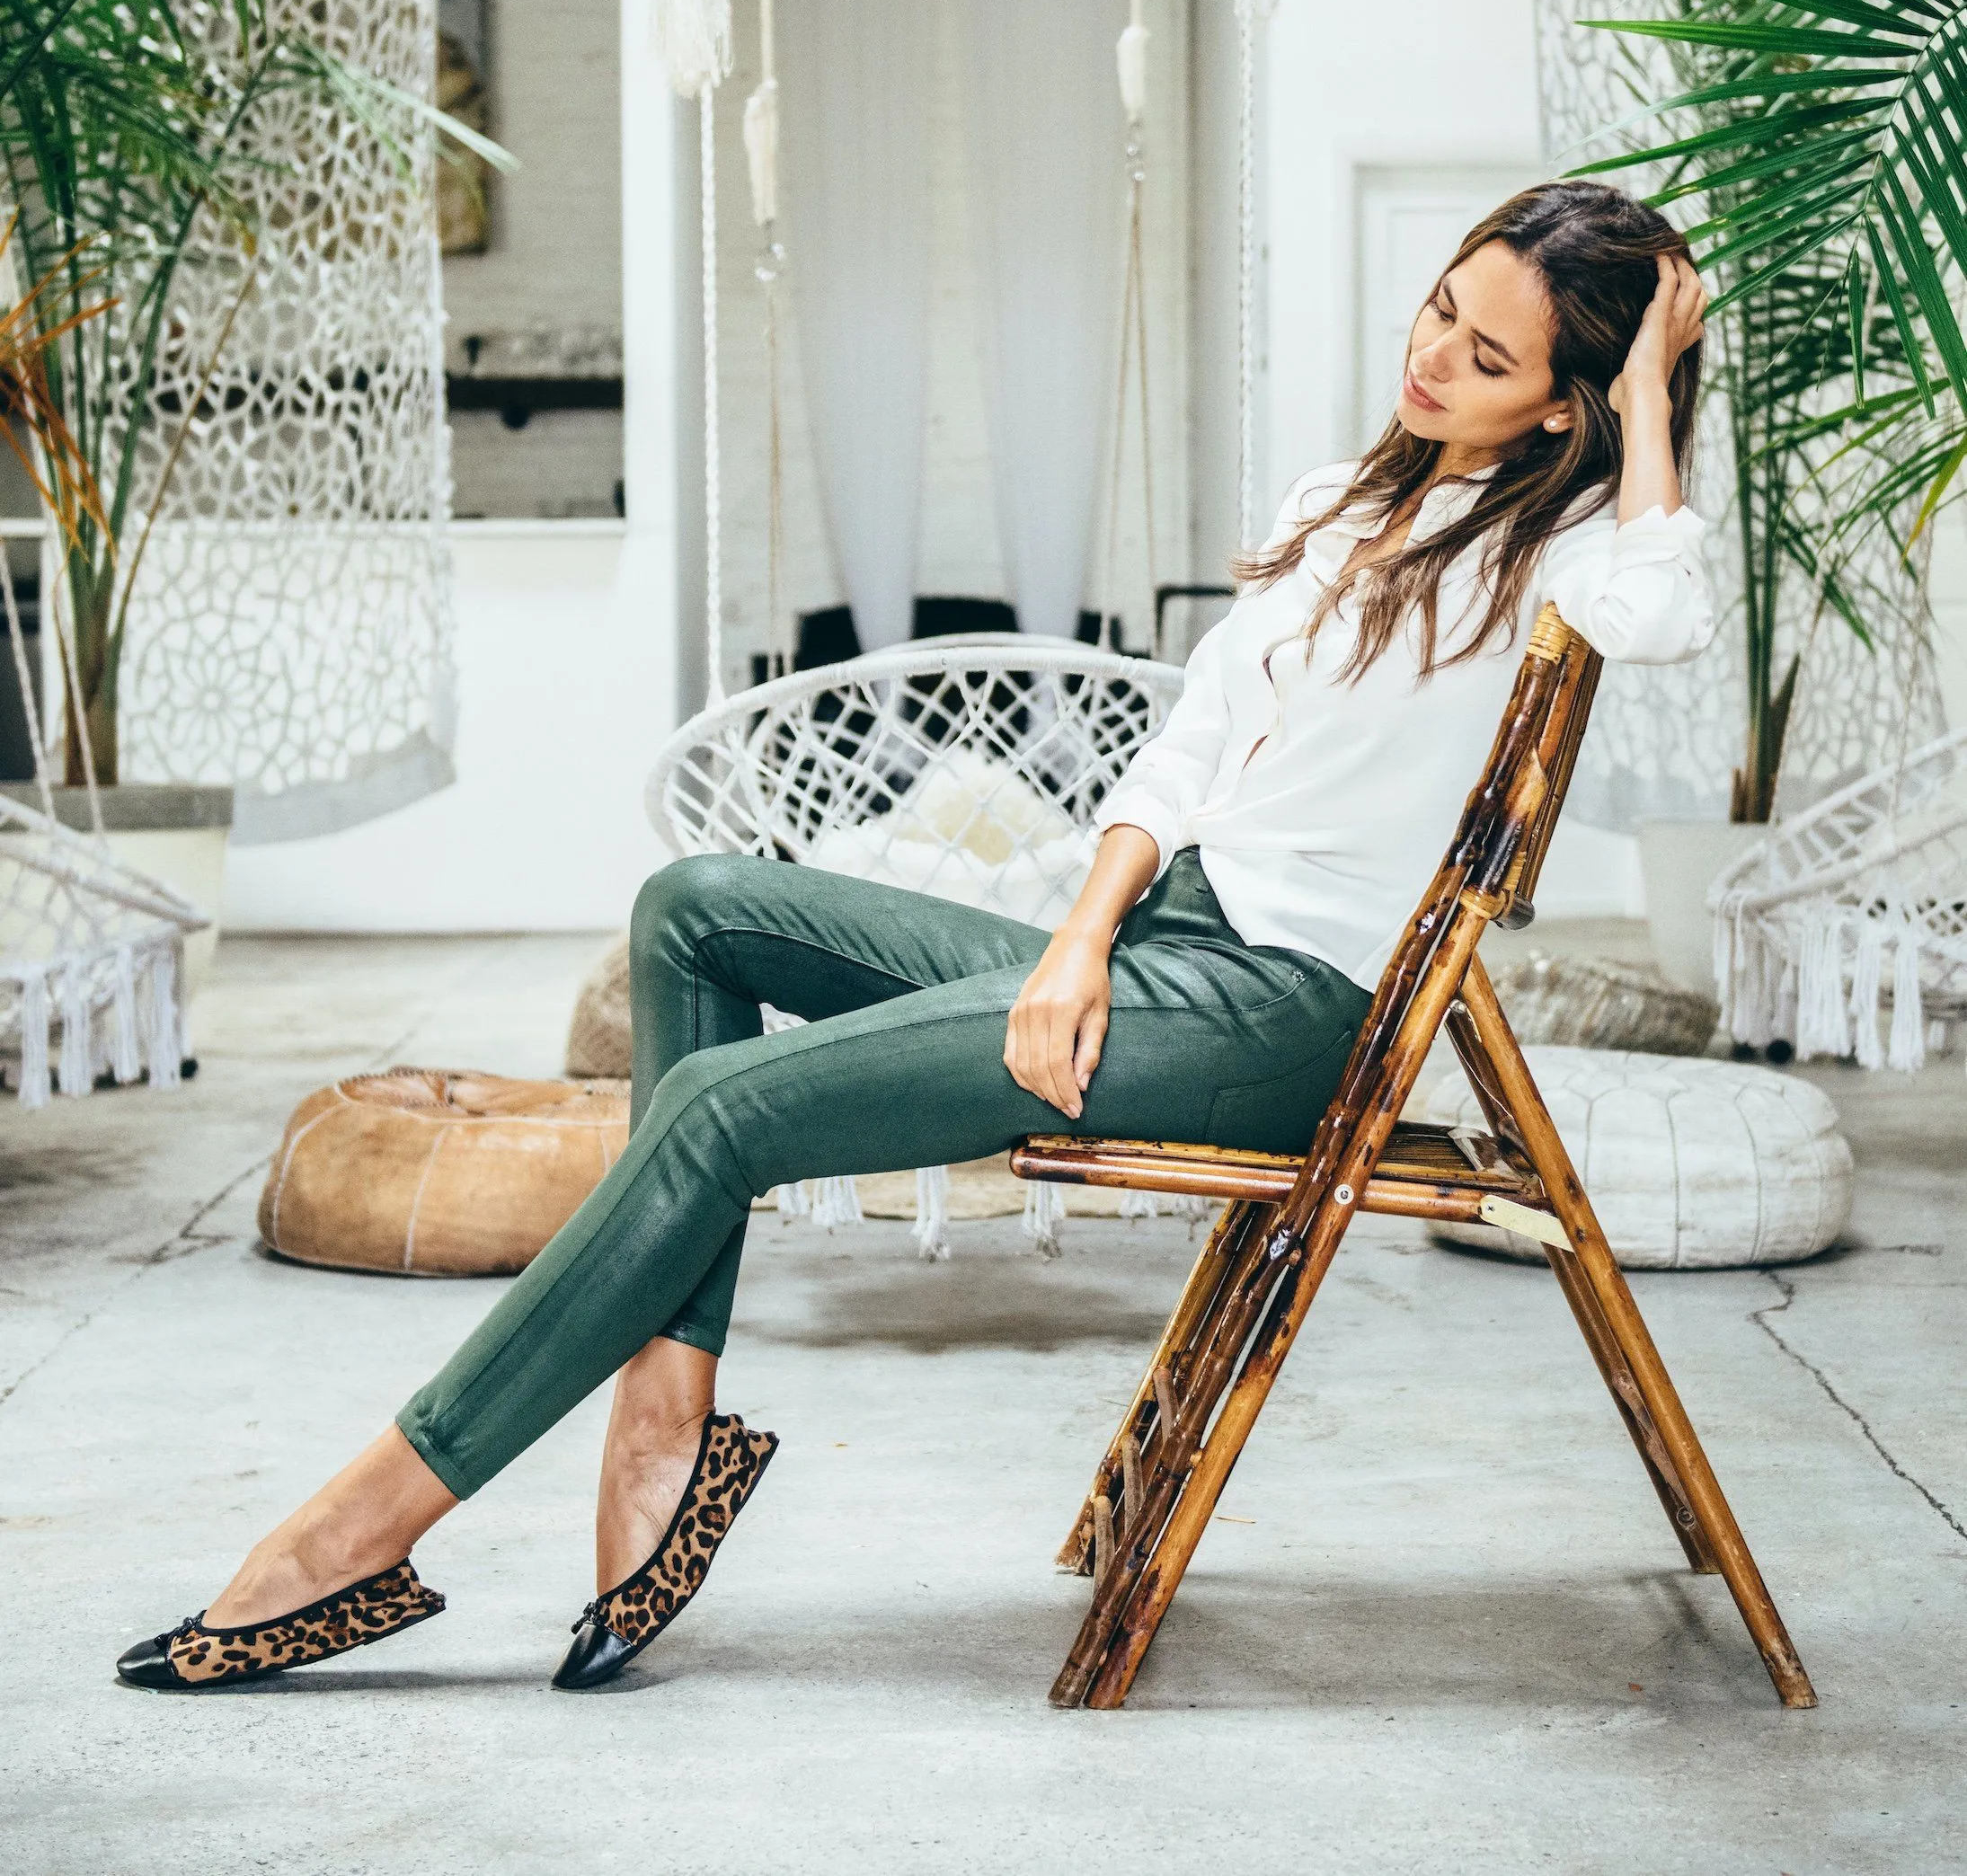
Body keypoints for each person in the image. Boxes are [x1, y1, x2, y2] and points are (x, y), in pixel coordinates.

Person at [118, 180, 1714, 1694]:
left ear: (1564, 407)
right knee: (694, 910)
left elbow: (1671, 609)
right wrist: (1081, 935)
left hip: (1284, 1017)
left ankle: (365, 1523)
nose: (1431, 358)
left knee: (725, 1112)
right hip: (1162, 940)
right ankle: (663, 1422)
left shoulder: (1554, 557)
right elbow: (1186, 754)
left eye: (1489, 356)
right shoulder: (1338, 506)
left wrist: (1652, 394)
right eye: (1439, 310)